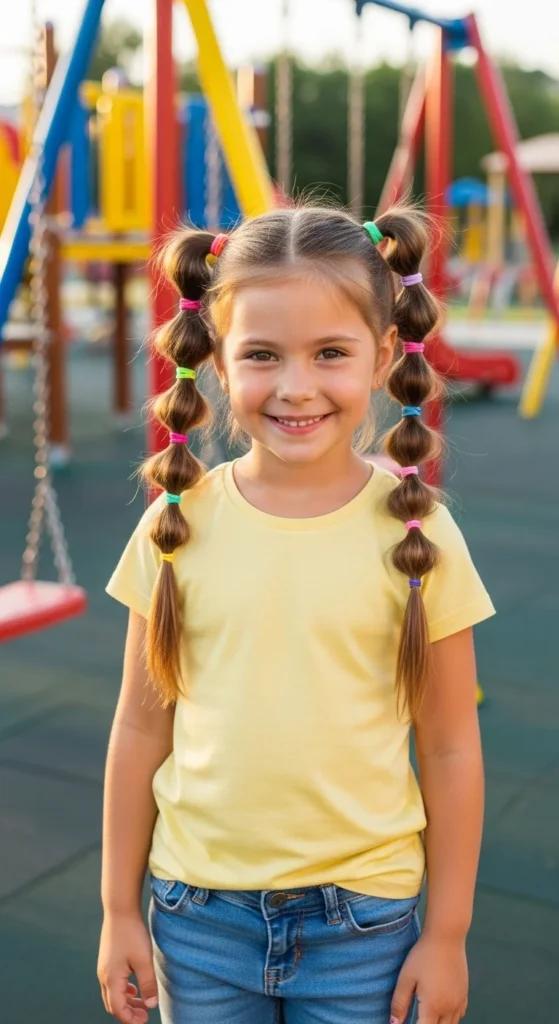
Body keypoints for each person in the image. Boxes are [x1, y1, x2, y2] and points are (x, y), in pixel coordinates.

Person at [97, 205, 495, 1024]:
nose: (295, 386)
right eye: (262, 355)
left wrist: (446, 933)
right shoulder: (176, 523)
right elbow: (140, 728)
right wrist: (117, 910)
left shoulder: (418, 533)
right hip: (196, 916)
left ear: (384, 355)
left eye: (329, 354)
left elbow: (451, 745)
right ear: (217, 359)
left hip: (365, 929)